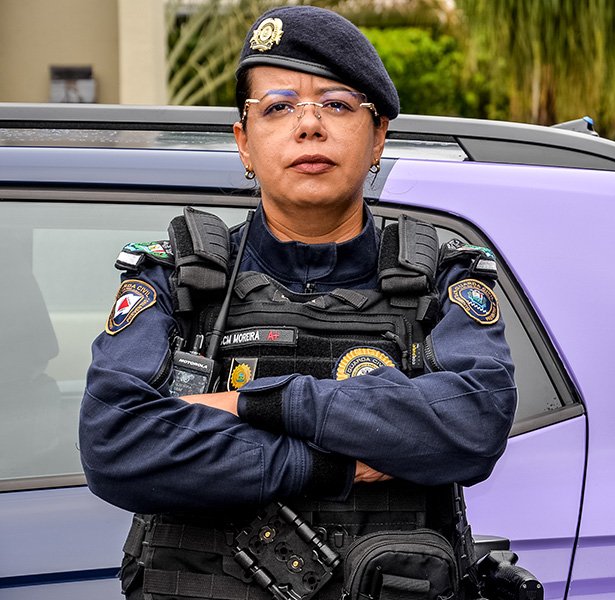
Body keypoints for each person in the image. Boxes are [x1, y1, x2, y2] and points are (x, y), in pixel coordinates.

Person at [79, 6, 517, 600]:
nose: (309, 126)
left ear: (378, 137)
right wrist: (331, 464)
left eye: (336, 105)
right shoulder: (175, 280)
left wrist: (257, 403)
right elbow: (117, 442)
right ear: (244, 142)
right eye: (278, 107)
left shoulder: (440, 281)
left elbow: (472, 423)